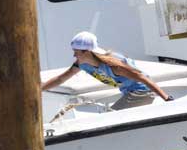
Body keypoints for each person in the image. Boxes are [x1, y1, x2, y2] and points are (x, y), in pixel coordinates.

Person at [41, 31, 173, 110]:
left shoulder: (113, 66)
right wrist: (39, 89)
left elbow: (143, 78)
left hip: (141, 92)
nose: (74, 56)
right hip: (128, 93)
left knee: (111, 117)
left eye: (76, 52)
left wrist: (166, 98)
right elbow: (61, 79)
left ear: (87, 52)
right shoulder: (82, 63)